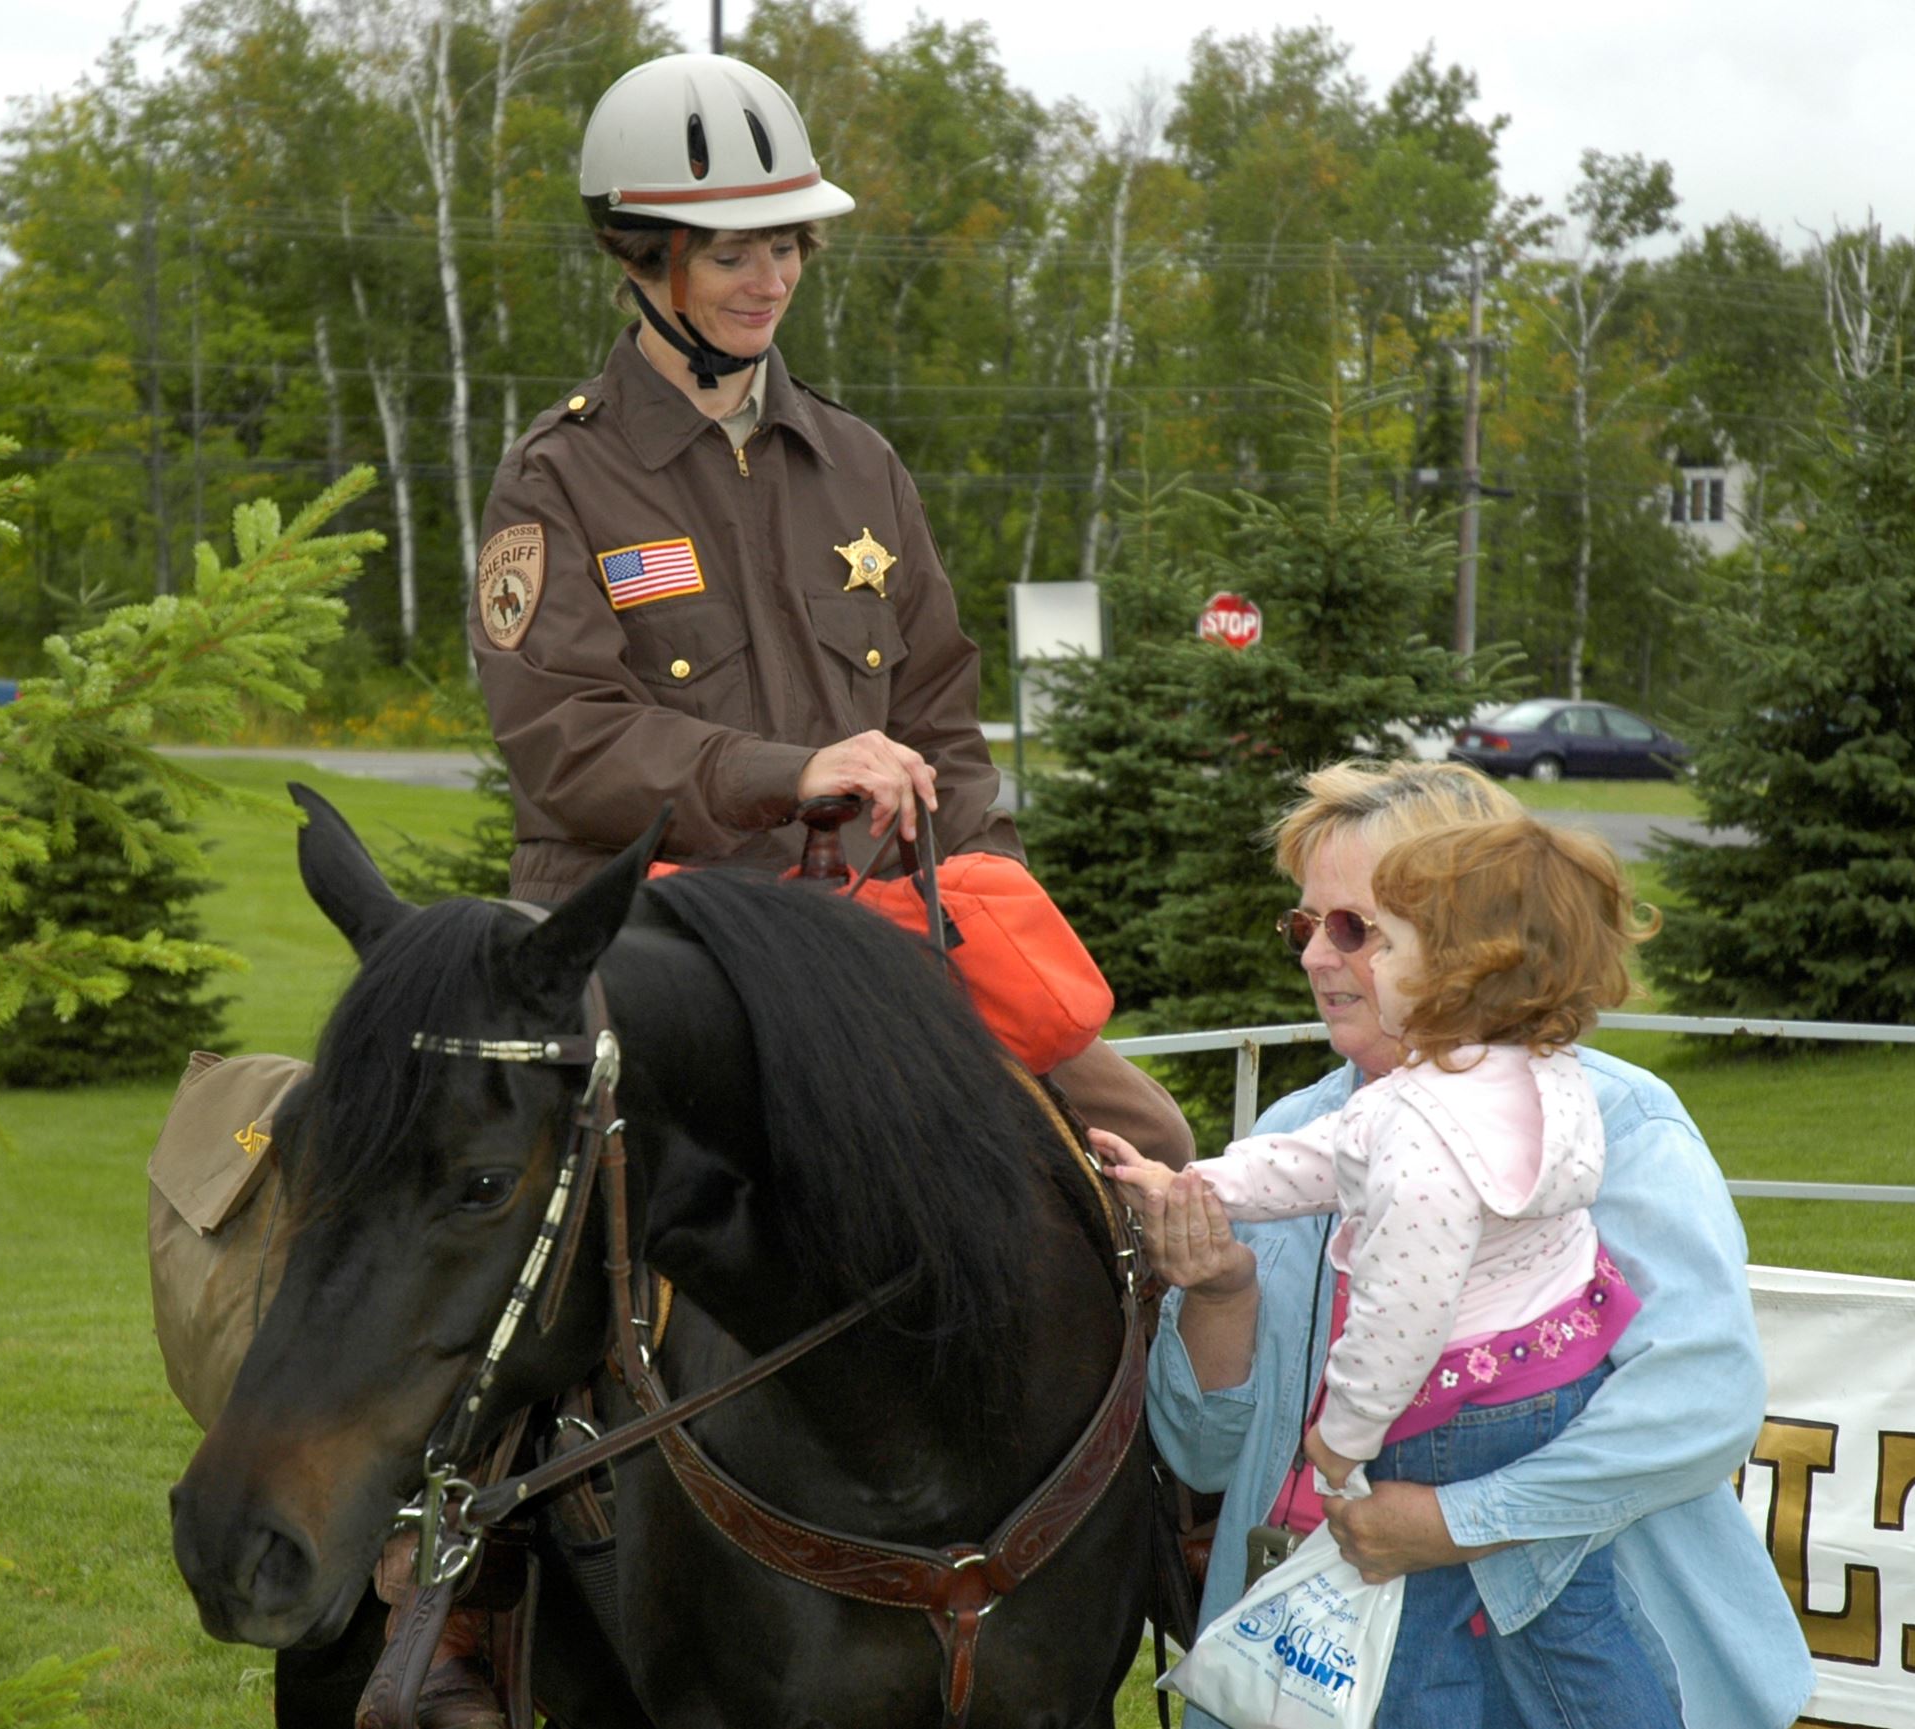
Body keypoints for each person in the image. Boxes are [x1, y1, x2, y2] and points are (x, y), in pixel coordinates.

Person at [466, 50, 1188, 1166]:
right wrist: (783, 771)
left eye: (788, 243)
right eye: (730, 252)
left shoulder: (858, 462)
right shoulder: (557, 475)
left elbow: (939, 716)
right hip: (660, 939)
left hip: (872, 934)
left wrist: (980, 898)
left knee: (1146, 1141)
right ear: (643, 256)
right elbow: (562, 737)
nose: (770, 277)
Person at [1137, 759, 1815, 1729]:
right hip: (1302, 1671)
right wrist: (1219, 1292)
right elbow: (1198, 1455)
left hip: (1529, 1678)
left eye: (1353, 928)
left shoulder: (1612, 1119)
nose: (1314, 958)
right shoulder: (1292, 1135)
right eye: (1302, 924)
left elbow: (1700, 1403)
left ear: (1465, 938)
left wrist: (1452, 1524)